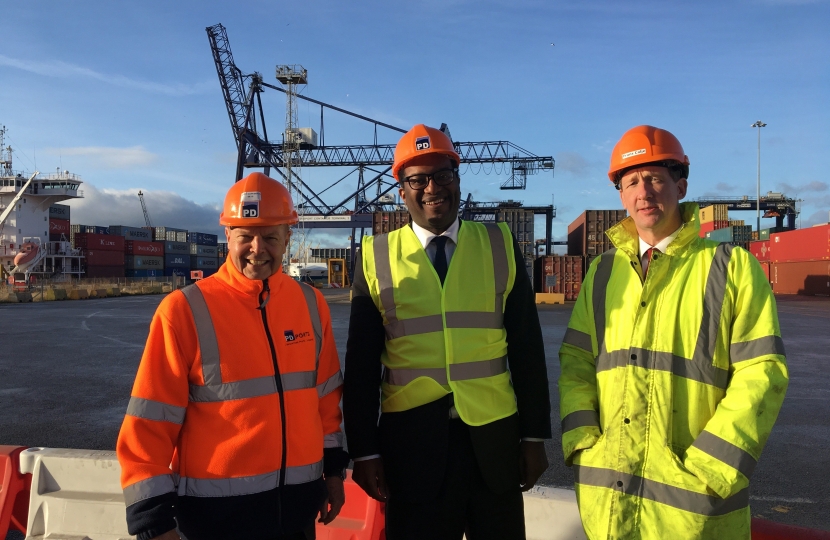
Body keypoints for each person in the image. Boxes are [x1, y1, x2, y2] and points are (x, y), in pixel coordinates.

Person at [558, 125, 788, 540]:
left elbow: (762, 372)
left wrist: (710, 467)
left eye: (655, 179)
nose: (643, 192)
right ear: (621, 196)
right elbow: (577, 361)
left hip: (694, 509)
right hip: (607, 499)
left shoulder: (730, 268)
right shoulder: (602, 273)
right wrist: (582, 440)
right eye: (631, 182)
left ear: (680, 186)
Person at [344, 124, 552, 540]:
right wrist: (364, 451)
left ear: (457, 179)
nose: (431, 188)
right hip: (412, 447)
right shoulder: (374, 256)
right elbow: (361, 366)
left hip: (494, 441)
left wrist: (533, 436)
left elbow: (527, 347)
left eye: (442, 175)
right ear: (401, 190)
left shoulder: (499, 242)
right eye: (417, 179)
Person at [116, 172, 349, 540]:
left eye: (270, 237)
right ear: (228, 236)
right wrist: (153, 523)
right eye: (245, 237)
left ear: (288, 237)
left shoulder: (310, 304)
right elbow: (149, 426)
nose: (257, 249)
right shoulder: (183, 310)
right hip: (216, 523)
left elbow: (325, 401)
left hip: (297, 518)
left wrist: (334, 472)